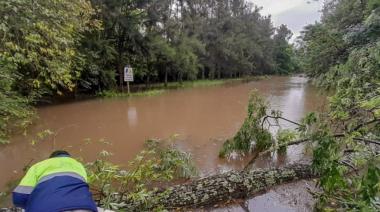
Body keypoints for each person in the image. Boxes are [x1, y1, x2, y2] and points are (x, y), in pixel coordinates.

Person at [12, 150, 98, 212]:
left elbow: (19, 197)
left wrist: (31, 205)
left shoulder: (38, 166)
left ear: (51, 158)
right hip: (85, 208)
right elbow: (84, 188)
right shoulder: (79, 165)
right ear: (68, 158)